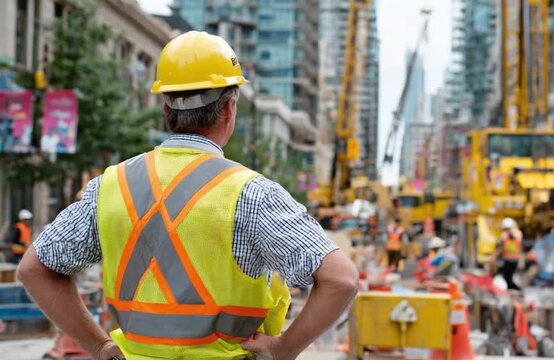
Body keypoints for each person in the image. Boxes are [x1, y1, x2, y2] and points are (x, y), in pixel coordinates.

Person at [17, 31, 358, 360]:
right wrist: (284, 349)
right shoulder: (253, 194)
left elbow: (34, 269)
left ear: (167, 110)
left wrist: (98, 346)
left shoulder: (109, 187)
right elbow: (340, 280)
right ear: (229, 109)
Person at [496, 217, 523, 290]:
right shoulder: (518, 233)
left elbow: (501, 246)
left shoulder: (504, 234)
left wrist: (496, 255)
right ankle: (513, 289)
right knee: (511, 276)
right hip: (515, 258)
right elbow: (520, 246)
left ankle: (511, 289)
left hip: (507, 258)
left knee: (507, 276)